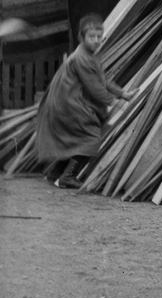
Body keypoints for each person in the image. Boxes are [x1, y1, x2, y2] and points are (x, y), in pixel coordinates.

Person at [34, 14, 132, 188]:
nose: (96, 40)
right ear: (82, 37)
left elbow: (102, 81)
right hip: (69, 103)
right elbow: (95, 88)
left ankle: (55, 173)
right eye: (91, 37)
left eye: (99, 37)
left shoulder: (89, 55)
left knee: (75, 139)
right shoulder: (82, 58)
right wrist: (115, 102)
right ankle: (67, 177)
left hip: (68, 102)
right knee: (90, 137)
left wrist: (122, 93)